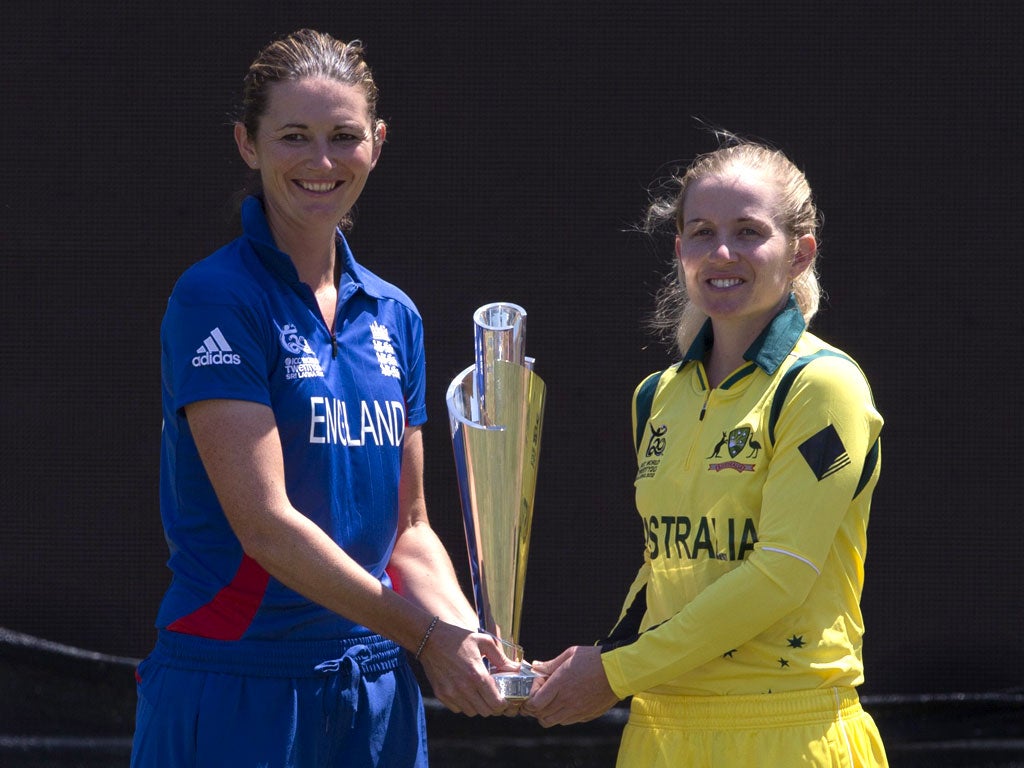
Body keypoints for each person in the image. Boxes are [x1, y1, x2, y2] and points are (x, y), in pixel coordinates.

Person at [130, 29, 513, 768]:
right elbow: (267, 526)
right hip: (238, 680)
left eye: (344, 137)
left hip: (375, 689)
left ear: (378, 142)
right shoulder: (216, 297)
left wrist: (477, 640)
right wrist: (430, 639)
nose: (322, 162)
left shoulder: (394, 313)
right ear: (248, 144)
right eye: (294, 137)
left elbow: (409, 529)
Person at [523, 135, 889, 767]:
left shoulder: (823, 386)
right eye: (701, 232)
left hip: (787, 730)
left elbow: (779, 575)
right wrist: (582, 663)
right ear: (679, 251)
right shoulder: (655, 397)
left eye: (749, 231)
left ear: (801, 253)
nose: (722, 252)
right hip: (659, 729)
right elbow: (665, 568)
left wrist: (613, 671)